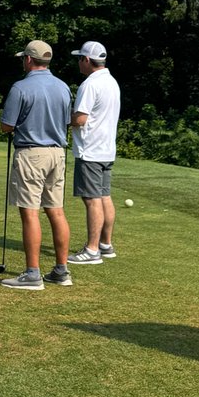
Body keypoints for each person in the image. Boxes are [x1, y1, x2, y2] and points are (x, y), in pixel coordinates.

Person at [0, 40, 72, 291]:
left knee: (30, 212)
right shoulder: (63, 87)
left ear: (29, 60)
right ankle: (61, 271)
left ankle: (32, 274)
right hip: (58, 154)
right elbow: (67, 121)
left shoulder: (20, 87)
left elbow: (7, 125)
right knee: (56, 210)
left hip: (32, 154)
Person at [67, 40, 121, 264]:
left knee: (92, 200)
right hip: (106, 149)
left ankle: (91, 250)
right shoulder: (112, 82)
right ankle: (105, 245)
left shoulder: (89, 84)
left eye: (79, 58)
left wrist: (62, 120)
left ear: (86, 60)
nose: (78, 63)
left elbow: (80, 119)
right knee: (104, 196)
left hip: (90, 150)